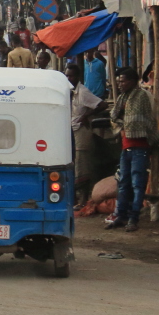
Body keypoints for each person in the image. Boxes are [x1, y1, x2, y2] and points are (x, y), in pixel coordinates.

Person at [106, 65, 158, 232]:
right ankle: (122, 216)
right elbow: (115, 117)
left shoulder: (141, 96)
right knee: (123, 183)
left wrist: (124, 124)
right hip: (127, 146)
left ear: (132, 81)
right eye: (119, 81)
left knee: (137, 184)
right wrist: (123, 124)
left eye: (123, 81)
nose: (120, 84)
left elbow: (143, 121)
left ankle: (133, 218)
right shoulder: (123, 97)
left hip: (140, 147)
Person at [68, 62, 103, 207]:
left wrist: (86, 116)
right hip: (72, 130)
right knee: (74, 165)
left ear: (77, 77)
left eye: (71, 76)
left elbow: (102, 104)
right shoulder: (70, 92)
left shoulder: (83, 92)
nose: (68, 78)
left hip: (82, 131)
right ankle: (76, 198)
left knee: (82, 166)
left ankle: (83, 200)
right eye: (67, 76)